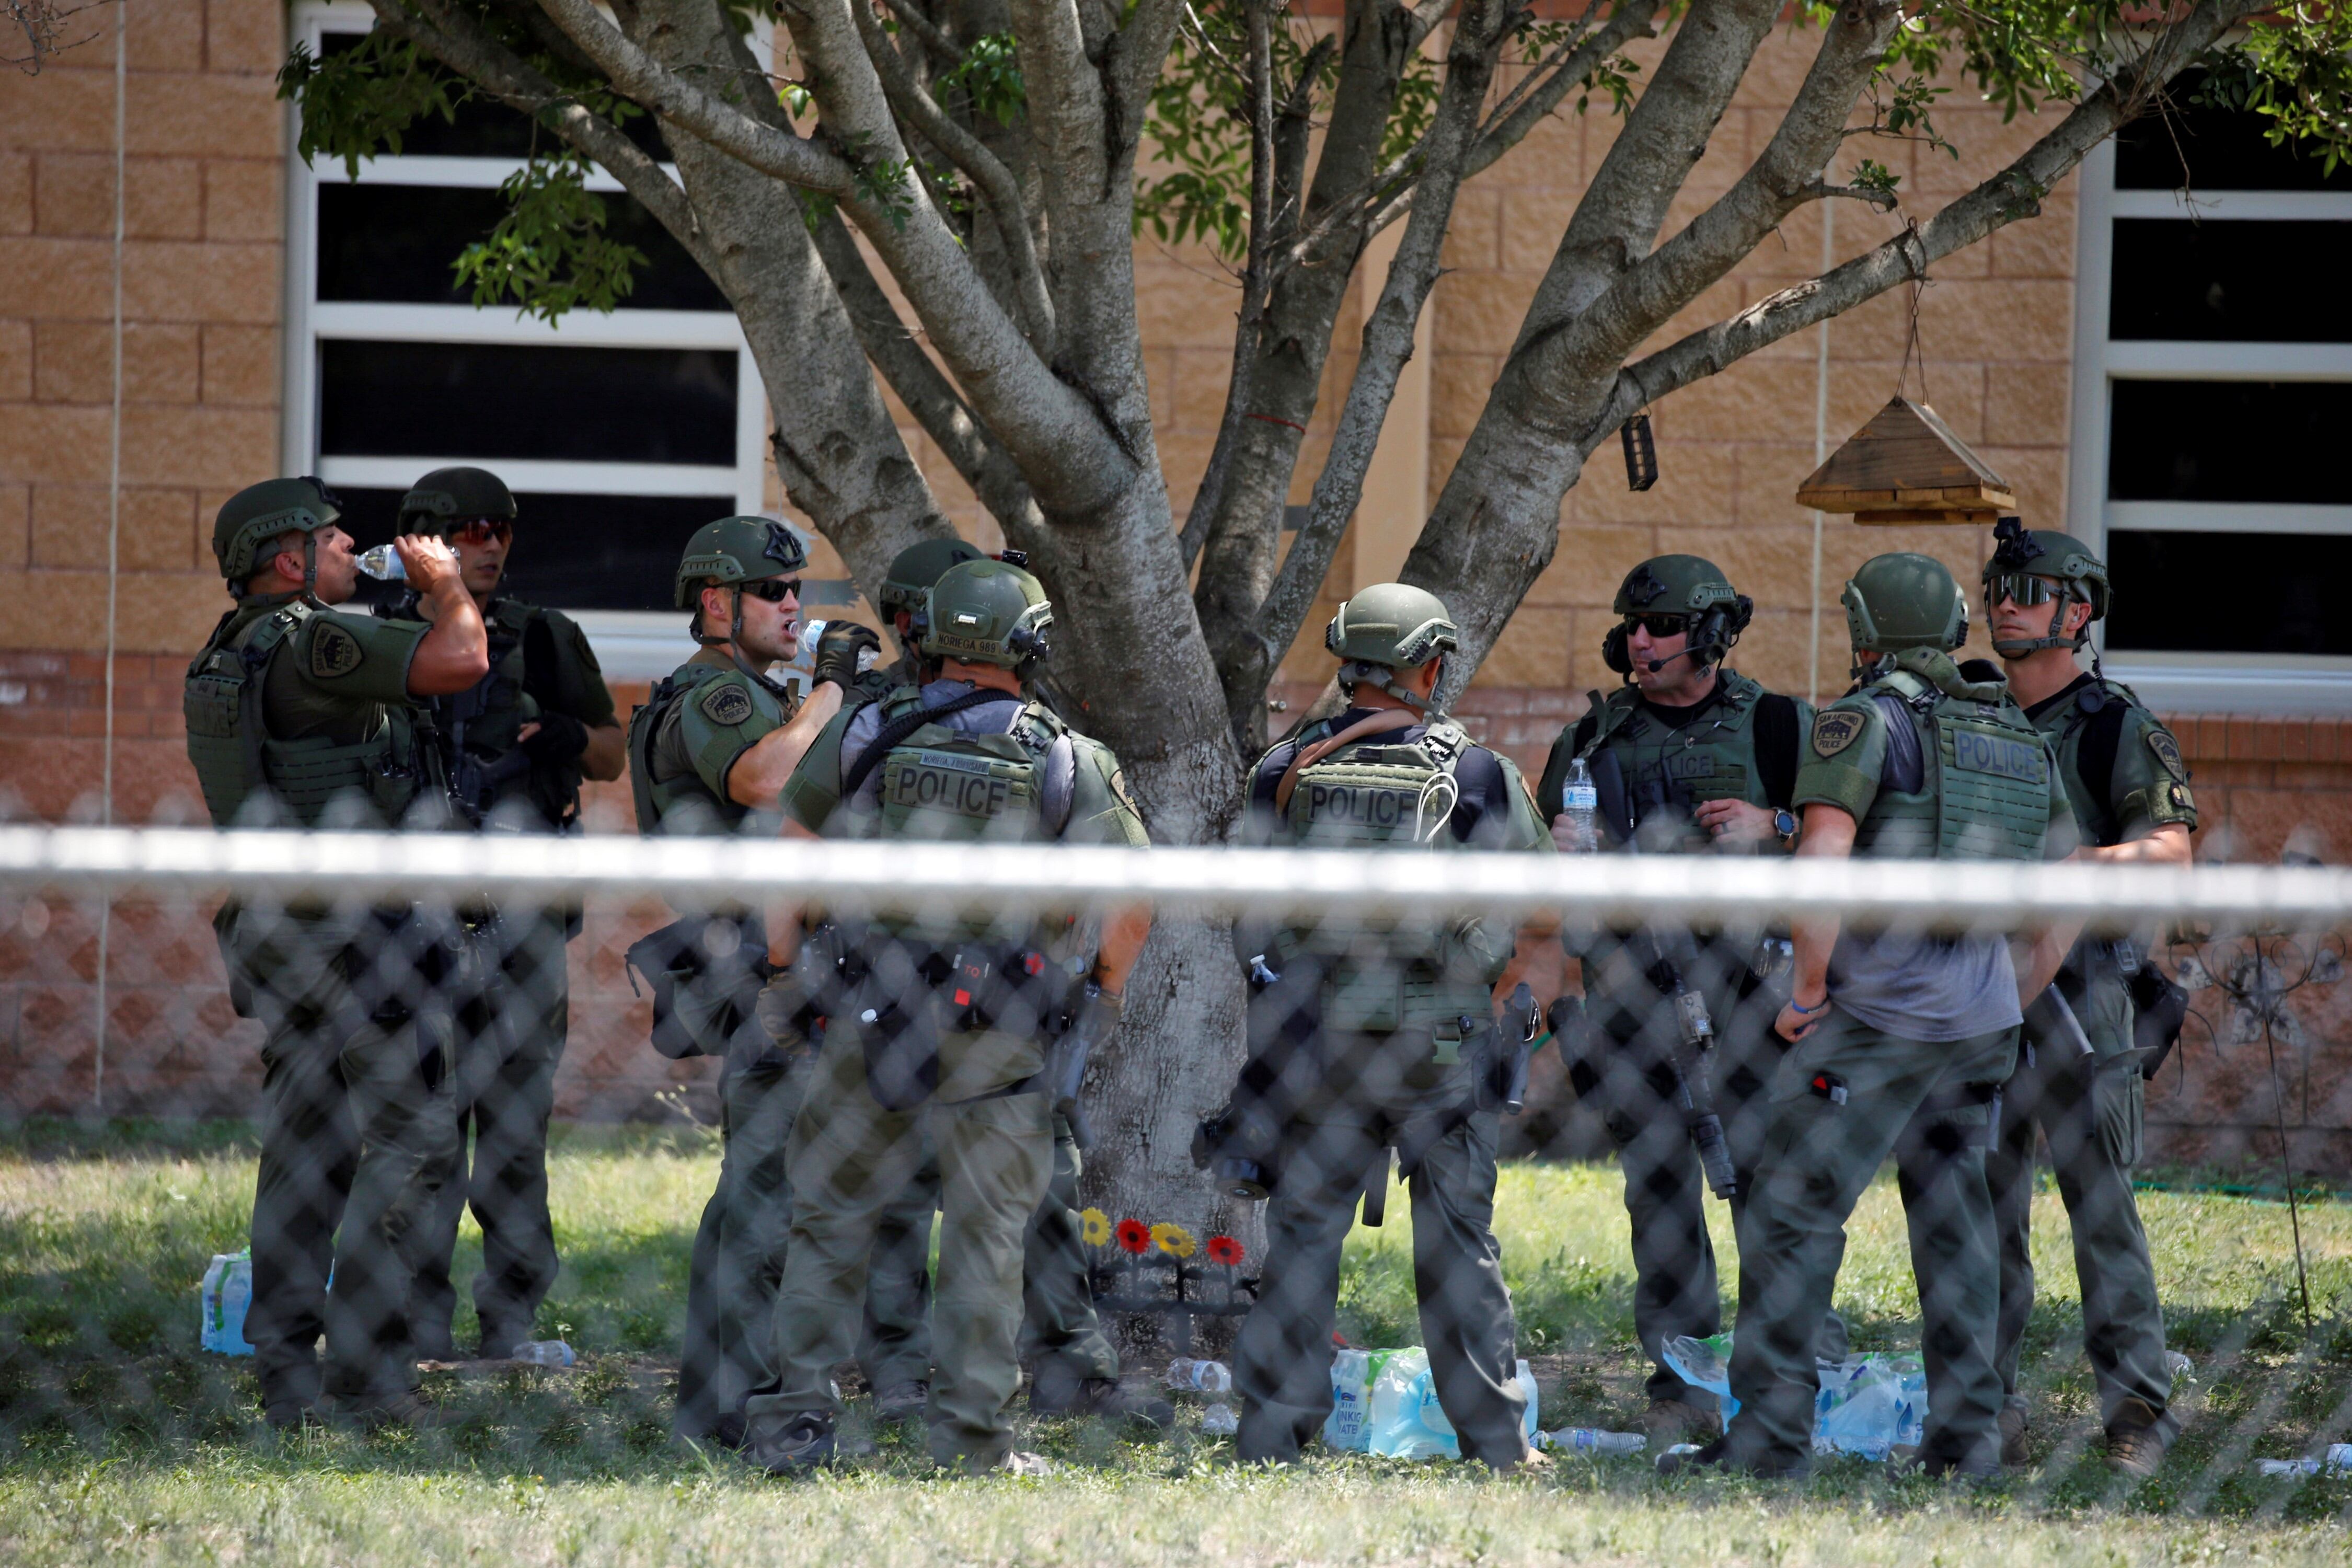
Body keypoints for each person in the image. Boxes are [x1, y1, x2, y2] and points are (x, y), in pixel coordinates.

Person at [1664, 553, 2080, 1480]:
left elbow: (1822, 858)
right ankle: (1968, 1441)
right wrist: (2013, 995)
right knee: (1958, 1220)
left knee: (1790, 1214)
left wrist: (1806, 991)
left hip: (1877, 1022)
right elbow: (2068, 885)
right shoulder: (2011, 729)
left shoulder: (1864, 720)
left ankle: (1769, 1442)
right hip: (1977, 1029)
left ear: (1864, 629)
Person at [746, 555, 1154, 1474]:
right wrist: (1105, 990)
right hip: (1003, 1030)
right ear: (1031, 642)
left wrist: (781, 972)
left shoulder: (863, 727)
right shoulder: (1063, 755)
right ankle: (972, 1442)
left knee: (830, 1222)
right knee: (986, 1234)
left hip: (867, 1010)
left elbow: (790, 858)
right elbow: (1135, 895)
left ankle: (796, 1424)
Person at [1218, 583, 1554, 1473]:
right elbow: (1542, 908)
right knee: (1458, 1247)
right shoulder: (1476, 774)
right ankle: (1496, 1442)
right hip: (1440, 1049)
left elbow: (1246, 907)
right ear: (1431, 666)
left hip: (1318, 1048)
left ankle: (1272, 1434)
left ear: (1347, 658)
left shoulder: (1283, 768)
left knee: (1301, 1239)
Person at [184, 476, 488, 1428]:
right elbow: (462, 659)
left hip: (283, 928)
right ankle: (369, 1372)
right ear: (288, 562)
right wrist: (442, 584)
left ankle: (285, 1369)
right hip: (362, 935)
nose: (352, 543)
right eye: (329, 537)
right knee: (411, 1137)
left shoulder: (225, 654)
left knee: (304, 1148)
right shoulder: (314, 636)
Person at [626, 515, 920, 1449]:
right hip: (756, 970)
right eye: (770, 590)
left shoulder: (755, 691)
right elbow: (766, 780)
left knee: (759, 1196)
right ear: (716, 603)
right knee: (767, 1203)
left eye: (797, 590)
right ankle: (749, 1407)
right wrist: (834, 686)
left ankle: (722, 1402)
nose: (791, 604)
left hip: (776, 963)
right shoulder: (713, 697)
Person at [1532, 556, 1835, 1448]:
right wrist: (1563, 850)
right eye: (1632, 625)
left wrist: (1773, 828)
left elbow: (1848, 837)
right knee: (1659, 1190)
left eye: (1661, 626)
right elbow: (1548, 887)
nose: (1641, 641)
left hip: (1758, 994)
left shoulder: (1779, 727)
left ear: (1707, 635)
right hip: (1635, 998)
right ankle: (1681, 1384)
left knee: (1772, 1185)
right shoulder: (1593, 740)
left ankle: (1790, 1370)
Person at [380, 467, 627, 1365]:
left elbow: (610, 754)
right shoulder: (374, 641)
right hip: (414, 920)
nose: (486, 545)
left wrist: (568, 738)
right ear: (419, 541)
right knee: (422, 1128)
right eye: (465, 531)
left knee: (514, 1134)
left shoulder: (544, 637)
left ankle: (512, 1324)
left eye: (500, 531)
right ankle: (415, 1325)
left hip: (520, 919)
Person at [1979, 520, 2194, 1477]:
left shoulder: (2115, 725)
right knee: (1982, 1212)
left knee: (2100, 1211)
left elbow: (2170, 852)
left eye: (2028, 590)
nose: (2005, 604)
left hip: (2085, 1001)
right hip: (1978, 994)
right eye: (1998, 588)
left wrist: (2080, 864)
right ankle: (1986, 1410)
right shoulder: (1972, 713)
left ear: (2079, 610)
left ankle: (2137, 1414)